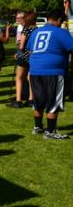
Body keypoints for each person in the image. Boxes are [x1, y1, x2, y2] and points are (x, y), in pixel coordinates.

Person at [26, 9, 73, 139]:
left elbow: (30, 49)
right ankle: (51, 131)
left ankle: (38, 127)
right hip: (54, 70)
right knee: (54, 101)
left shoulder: (36, 32)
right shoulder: (61, 32)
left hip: (35, 69)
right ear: (58, 20)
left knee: (38, 99)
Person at [7, 13, 37, 108]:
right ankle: (31, 99)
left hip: (23, 56)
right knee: (30, 78)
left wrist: (19, 47)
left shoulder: (26, 29)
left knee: (19, 78)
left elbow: (22, 45)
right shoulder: (37, 30)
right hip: (33, 56)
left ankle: (18, 100)